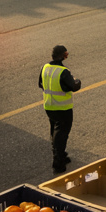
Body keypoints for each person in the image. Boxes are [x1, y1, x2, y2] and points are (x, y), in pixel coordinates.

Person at [40, 45, 82, 173]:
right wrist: (77, 81)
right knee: (61, 134)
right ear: (63, 55)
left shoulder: (45, 68)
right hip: (63, 108)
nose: (67, 55)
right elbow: (73, 86)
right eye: (66, 53)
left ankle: (61, 155)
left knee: (55, 131)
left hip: (49, 106)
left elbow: (40, 84)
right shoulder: (63, 71)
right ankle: (58, 162)